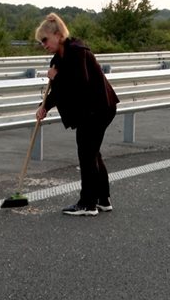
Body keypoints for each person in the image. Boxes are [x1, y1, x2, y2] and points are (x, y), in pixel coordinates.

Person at [35, 13, 119, 216]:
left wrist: (57, 77)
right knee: (92, 152)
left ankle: (87, 203)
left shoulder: (77, 51)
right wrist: (44, 106)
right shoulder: (58, 59)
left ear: (57, 34)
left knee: (87, 153)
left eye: (45, 40)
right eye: (41, 42)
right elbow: (61, 90)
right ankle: (102, 199)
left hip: (99, 108)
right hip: (90, 109)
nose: (43, 45)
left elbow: (80, 83)